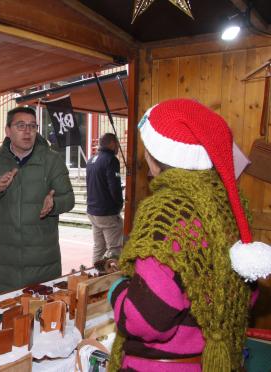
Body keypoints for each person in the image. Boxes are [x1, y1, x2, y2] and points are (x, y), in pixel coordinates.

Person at [108, 99, 271, 371]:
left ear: (156, 154)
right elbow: (245, 293)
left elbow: (148, 319)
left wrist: (119, 290)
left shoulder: (167, 213)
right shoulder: (227, 204)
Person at [0, 106, 75, 295]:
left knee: (46, 318)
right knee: (7, 317)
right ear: (8, 130)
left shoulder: (51, 160)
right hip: (5, 264)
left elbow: (69, 199)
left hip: (43, 262)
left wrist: (54, 205)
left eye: (33, 126)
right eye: (21, 126)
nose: (28, 131)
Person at [85, 133, 124, 266]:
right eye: (117, 144)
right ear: (112, 143)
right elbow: (114, 187)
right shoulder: (111, 160)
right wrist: (119, 204)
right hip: (107, 212)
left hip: (92, 210)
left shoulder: (91, 160)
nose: (118, 147)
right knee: (114, 249)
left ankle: (94, 274)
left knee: (99, 247)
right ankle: (111, 280)